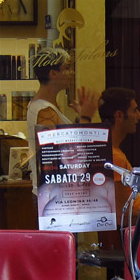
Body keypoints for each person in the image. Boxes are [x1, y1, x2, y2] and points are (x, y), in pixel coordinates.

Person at [26, 47, 98, 193]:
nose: (71, 72)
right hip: (54, 194)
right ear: (53, 73)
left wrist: (80, 119)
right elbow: (55, 157)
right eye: (67, 68)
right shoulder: (45, 111)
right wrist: (85, 118)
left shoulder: (46, 107)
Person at [97, 87, 140, 219]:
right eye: (134, 110)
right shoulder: (115, 158)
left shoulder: (114, 152)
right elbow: (121, 215)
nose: (139, 116)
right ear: (119, 116)